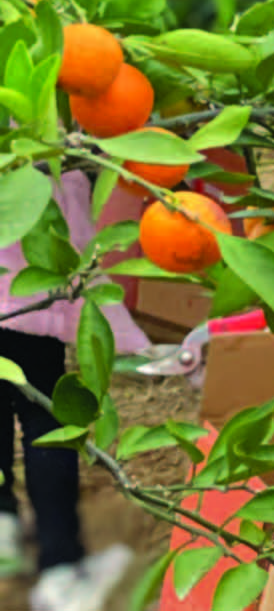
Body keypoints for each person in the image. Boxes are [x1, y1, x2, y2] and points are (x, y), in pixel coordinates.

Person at [1, 174, 140, 611]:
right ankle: (61, 569)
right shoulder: (50, 124)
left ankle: (3, 526)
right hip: (26, 301)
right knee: (46, 423)